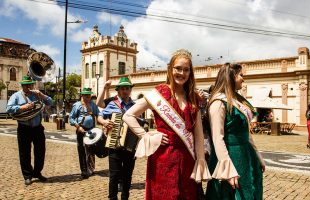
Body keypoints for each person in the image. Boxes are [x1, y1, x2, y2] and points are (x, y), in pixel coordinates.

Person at [123, 49, 211, 200]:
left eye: (186, 70)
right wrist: (147, 136)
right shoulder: (159, 93)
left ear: (190, 73)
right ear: (170, 68)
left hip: (188, 159)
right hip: (162, 158)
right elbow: (128, 115)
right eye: (178, 68)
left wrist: (201, 160)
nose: (182, 73)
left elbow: (198, 134)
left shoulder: (192, 98)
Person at [205, 63, 265, 200]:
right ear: (231, 77)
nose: (243, 79)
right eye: (241, 75)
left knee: (248, 191)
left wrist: (257, 155)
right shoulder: (218, 102)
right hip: (230, 156)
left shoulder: (237, 101)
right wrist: (227, 168)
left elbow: (246, 133)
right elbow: (217, 137)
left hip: (246, 154)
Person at [6, 75, 53, 185]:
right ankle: (27, 175)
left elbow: (50, 102)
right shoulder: (16, 96)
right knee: (24, 153)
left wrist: (41, 94)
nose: (28, 87)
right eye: (26, 85)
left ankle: (37, 172)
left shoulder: (36, 95)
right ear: (22, 85)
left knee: (40, 152)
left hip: (37, 128)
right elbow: (9, 108)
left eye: (29, 85)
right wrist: (23, 107)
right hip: (24, 128)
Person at [101, 76, 139, 200]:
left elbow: (139, 125)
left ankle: (125, 197)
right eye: (122, 88)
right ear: (118, 91)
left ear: (130, 90)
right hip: (114, 144)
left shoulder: (136, 106)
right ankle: (112, 198)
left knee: (127, 175)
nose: (125, 91)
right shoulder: (112, 104)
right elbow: (99, 116)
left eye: (127, 88)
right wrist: (104, 122)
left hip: (130, 147)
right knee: (114, 175)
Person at [69, 87, 112, 179]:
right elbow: (71, 118)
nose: (88, 97)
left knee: (92, 150)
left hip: (91, 129)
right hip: (81, 129)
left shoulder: (93, 105)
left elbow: (98, 114)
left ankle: (91, 168)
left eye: (89, 96)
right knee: (82, 150)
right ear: (82, 95)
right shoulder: (77, 105)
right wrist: (78, 127)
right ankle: (84, 170)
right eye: (86, 96)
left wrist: (102, 120)